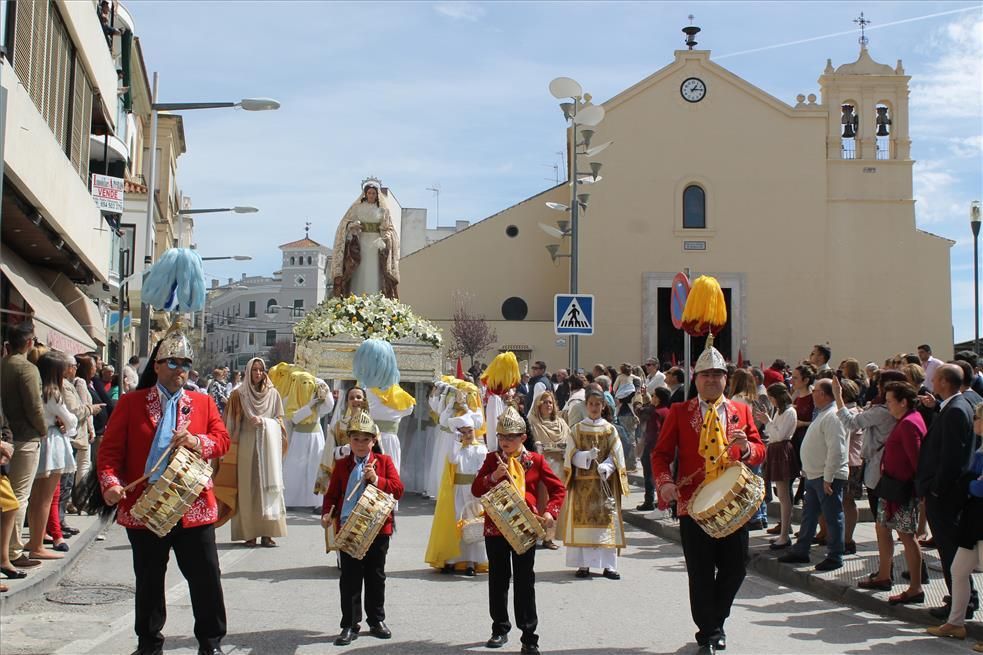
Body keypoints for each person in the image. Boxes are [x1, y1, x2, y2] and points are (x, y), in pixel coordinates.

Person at [99, 328, 230, 655]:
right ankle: (149, 643)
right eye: (172, 362)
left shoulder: (202, 402)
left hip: (192, 506)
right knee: (148, 581)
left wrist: (196, 441)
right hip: (145, 506)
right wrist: (111, 484)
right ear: (156, 365)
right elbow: (109, 453)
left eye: (185, 363)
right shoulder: (131, 403)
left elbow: (222, 441)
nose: (180, 369)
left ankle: (210, 643)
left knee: (206, 579)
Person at [652, 342, 765, 655]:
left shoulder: (741, 411)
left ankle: (715, 618)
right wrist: (664, 484)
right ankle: (711, 631)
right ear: (696, 378)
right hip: (693, 504)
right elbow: (660, 454)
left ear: (726, 378)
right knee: (700, 571)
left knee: (736, 567)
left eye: (718, 374)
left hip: (734, 503)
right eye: (706, 375)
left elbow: (759, 450)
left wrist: (745, 448)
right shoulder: (679, 411)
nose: (712, 379)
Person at [471, 405, 565, 655]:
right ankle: (499, 628)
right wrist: (492, 477)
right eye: (501, 436)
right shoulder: (493, 459)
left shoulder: (535, 460)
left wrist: (549, 513)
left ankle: (529, 636)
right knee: (498, 580)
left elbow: (558, 490)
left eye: (510, 437)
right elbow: (476, 489)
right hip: (496, 527)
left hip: (525, 527)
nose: (505, 442)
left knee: (525, 582)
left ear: (523, 437)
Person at [321, 410, 404, 646]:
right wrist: (327, 512)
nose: (360, 444)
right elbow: (333, 494)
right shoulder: (342, 465)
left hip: (378, 527)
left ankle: (376, 620)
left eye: (365, 439)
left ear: (374, 441)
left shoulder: (384, 463)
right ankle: (349, 623)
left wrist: (378, 480)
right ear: (349, 440)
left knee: (376, 575)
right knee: (349, 577)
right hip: (349, 527)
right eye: (355, 439)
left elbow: (398, 489)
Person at [917, 364, 978, 620]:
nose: (931, 381)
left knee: (950, 549)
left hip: (946, 494)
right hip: (948, 491)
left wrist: (937, 489)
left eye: (935, 378)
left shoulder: (955, 410)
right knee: (951, 550)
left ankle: (962, 602)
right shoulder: (955, 406)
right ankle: (963, 599)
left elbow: (952, 457)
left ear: (943, 381)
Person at [858, 382, 926, 603]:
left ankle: (915, 587)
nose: (887, 406)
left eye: (889, 401)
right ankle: (884, 575)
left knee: (907, 536)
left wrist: (919, 492)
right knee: (882, 527)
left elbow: (916, 460)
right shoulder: (904, 420)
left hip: (901, 491)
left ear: (903, 402)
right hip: (891, 488)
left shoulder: (908, 423)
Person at [927, 402, 983, 644]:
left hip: (981, 515)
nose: (974, 422)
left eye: (978, 417)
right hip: (973, 517)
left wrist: (969, 484)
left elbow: (979, 486)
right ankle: (955, 623)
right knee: (958, 570)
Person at [778, 379, 849, 571]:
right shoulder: (824, 413)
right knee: (809, 515)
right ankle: (801, 549)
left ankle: (835, 556)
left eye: (815, 390)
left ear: (824, 395)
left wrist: (828, 477)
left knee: (833, 516)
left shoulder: (833, 416)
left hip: (826, 477)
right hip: (814, 474)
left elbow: (837, 450)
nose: (812, 393)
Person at [224, 357, 287, 547]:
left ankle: (268, 533)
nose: (258, 373)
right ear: (248, 372)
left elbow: (280, 422)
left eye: (261, 370)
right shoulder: (239, 395)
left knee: (269, 487)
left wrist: (266, 423)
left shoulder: (273, 394)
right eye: (254, 370)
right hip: (246, 444)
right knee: (248, 488)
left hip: (269, 446)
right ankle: (249, 532)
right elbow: (229, 422)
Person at [23, 351, 78, 560]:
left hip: (39, 439)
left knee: (35, 498)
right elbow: (70, 419)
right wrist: (66, 421)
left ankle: (34, 540)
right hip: (53, 443)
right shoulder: (53, 392)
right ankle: (37, 544)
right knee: (46, 498)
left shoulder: (36, 389)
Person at [1, 322, 46, 569]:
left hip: (6, 437)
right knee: (19, 496)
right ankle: (13, 550)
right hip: (24, 438)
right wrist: (42, 430)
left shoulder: (3, 365)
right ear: (29, 342)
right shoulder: (27, 369)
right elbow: (34, 406)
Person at [425, 410, 488, 574]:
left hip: (474, 491)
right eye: (464, 432)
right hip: (458, 491)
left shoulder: (481, 449)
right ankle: (452, 559)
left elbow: (483, 468)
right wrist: (457, 441)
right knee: (456, 522)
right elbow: (453, 459)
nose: (467, 435)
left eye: (470, 431)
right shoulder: (457, 449)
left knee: (472, 523)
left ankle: (471, 562)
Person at [330, 178, 400, 298]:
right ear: (365, 194)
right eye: (369, 193)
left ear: (377, 194)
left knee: (374, 269)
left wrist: (385, 238)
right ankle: (356, 295)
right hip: (361, 242)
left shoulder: (383, 210)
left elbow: (389, 228)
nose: (371, 195)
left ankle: (374, 295)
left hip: (376, 242)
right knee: (359, 267)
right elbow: (344, 223)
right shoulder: (357, 208)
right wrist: (352, 225)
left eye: (373, 193)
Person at [282, 373, 334, 509]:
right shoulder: (291, 396)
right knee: (295, 468)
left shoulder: (316, 393)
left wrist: (323, 390)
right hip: (299, 435)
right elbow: (294, 418)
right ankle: (291, 500)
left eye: (309, 383)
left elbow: (328, 407)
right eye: (303, 383)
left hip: (316, 434)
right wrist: (309, 406)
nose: (306, 386)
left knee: (315, 468)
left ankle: (318, 502)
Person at [756, 383, 797, 548]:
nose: (771, 401)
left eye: (771, 398)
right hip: (775, 449)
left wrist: (768, 421)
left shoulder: (789, 411)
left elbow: (779, 435)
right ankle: (783, 533)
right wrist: (769, 422)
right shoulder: (780, 411)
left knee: (784, 495)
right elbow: (772, 433)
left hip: (782, 450)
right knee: (781, 495)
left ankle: (785, 534)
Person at [527, 390, 568, 548]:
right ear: (538, 404)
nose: (548, 405)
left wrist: (566, 449)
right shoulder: (532, 423)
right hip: (540, 467)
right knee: (540, 502)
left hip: (559, 466)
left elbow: (570, 441)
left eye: (550, 402)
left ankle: (549, 537)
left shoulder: (561, 423)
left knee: (555, 501)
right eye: (544, 402)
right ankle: (536, 533)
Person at [365, 384, 415, 474]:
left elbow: (409, 408)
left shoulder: (399, 394)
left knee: (390, 470)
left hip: (387, 440)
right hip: (370, 439)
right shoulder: (368, 391)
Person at [637, 387, 671, 511]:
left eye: (654, 396)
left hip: (653, 448)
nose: (653, 398)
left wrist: (647, 447)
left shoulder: (656, 413)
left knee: (649, 476)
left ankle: (649, 500)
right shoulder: (667, 410)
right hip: (665, 447)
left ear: (658, 398)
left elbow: (653, 432)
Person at [790, 364, 816, 506]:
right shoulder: (796, 398)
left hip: (806, 438)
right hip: (795, 438)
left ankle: (801, 494)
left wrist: (803, 423)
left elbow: (817, 421)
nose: (792, 381)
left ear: (805, 380)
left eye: (795, 378)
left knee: (805, 468)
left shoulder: (813, 398)